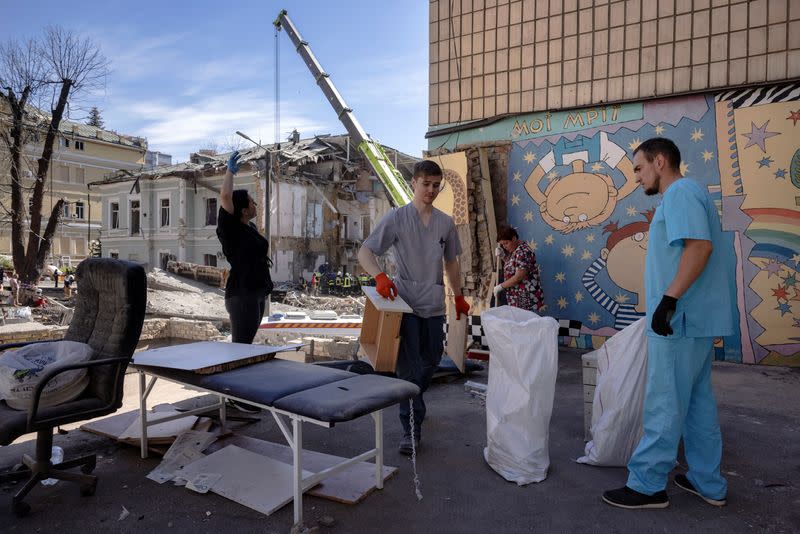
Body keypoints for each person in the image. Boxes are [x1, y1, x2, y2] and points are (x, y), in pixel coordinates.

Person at [602, 138, 734, 509]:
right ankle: (707, 482)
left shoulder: (680, 193)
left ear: (660, 162)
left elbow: (699, 247)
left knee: (664, 401)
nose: (637, 177)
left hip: (680, 321)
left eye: (639, 168)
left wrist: (668, 300)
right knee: (697, 404)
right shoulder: (687, 195)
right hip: (694, 321)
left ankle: (647, 485)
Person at [358, 159, 469, 456]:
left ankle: (414, 400)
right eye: (426, 184)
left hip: (433, 304)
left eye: (436, 185)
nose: (431, 190)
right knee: (408, 370)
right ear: (414, 184)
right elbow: (365, 251)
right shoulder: (396, 218)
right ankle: (411, 429)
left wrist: (458, 295)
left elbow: (451, 264)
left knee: (431, 361)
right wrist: (379, 276)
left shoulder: (445, 223)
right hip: (403, 304)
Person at [216, 151, 273, 412]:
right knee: (240, 346)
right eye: (251, 201)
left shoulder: (248, 228)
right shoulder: (231, 229)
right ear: (241, 208)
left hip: (256, 292)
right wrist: (230, 172)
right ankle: (234, 396)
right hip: (242, 294)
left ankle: (238, 395)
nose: (255, 205)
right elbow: (225, 196)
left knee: (245, 344)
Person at [492, 226, 544, 312]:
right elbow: (513, 266)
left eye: (506, 243)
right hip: (517, 297)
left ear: (514, 238)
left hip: (525, 297)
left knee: (524, 324)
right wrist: (503, 256)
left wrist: (501, 286)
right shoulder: (515, 251)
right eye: (502, 244)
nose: (504, 247)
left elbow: (519, 276)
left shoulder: (523, 251)